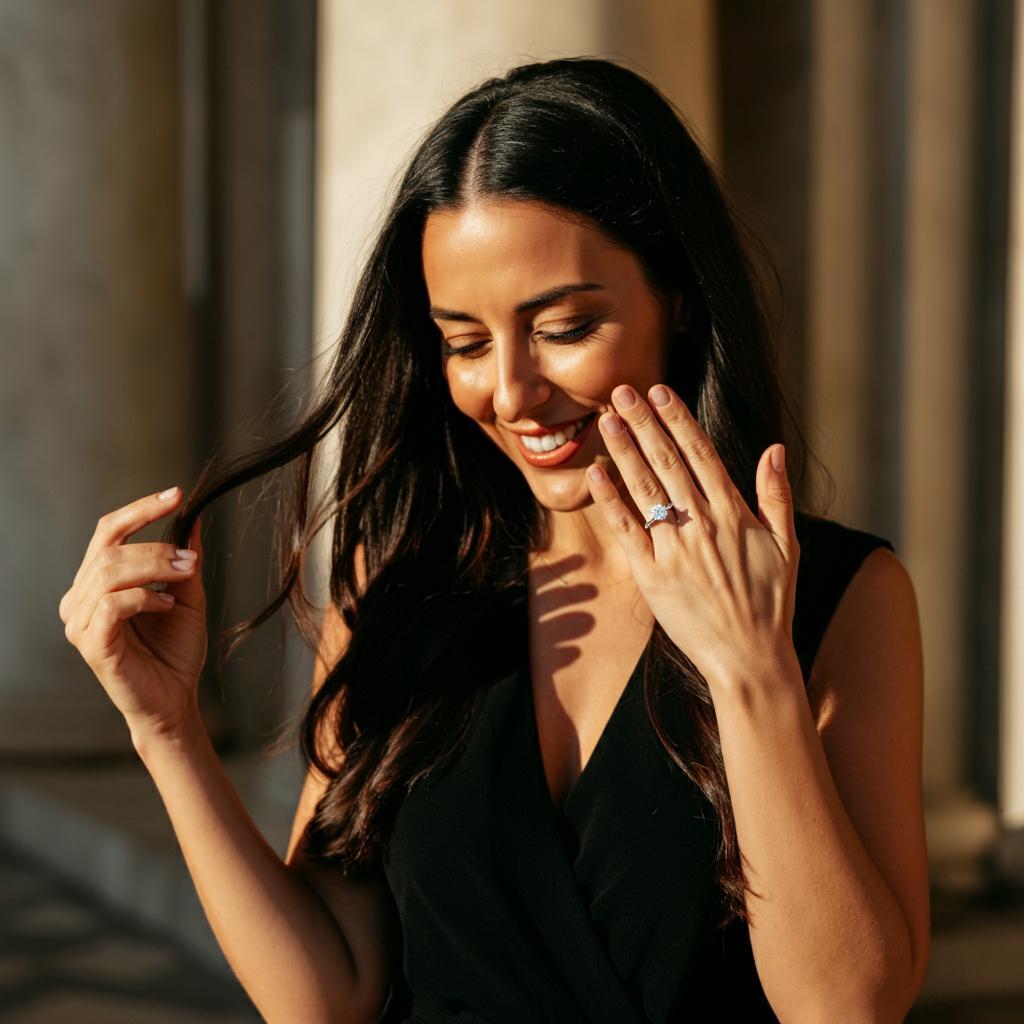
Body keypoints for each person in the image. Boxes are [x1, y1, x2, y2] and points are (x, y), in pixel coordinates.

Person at [59, 56, 930, 1022]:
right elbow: (325, 994)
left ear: (677, 298)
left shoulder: (846, 596)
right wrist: (166, 729)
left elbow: (850, 1007)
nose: (510, 393)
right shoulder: (398, 585)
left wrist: (751, 667)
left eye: (564, 326)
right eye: (465, 342)